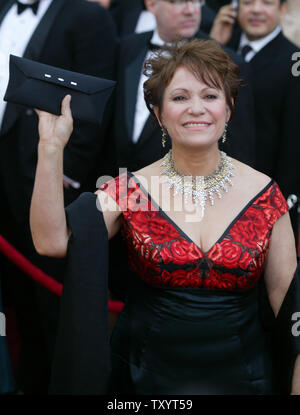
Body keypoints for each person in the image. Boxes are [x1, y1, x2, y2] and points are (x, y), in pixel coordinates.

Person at [30, 39, 300, 394]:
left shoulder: (265, 194)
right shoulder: (129, 190)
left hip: (245, 379)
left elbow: (290, 309)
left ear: (229, 107)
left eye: (210, 95)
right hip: (145, 380)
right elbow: (51, 241)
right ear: (158, 113)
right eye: (179, 97)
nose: (196, 109)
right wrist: (50, 149)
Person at [0, 0, 117, 393]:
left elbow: (96, 97)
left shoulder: (87, 15)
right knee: (16, 302)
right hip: (2, 174)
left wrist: (66, 173)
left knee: (52, 302)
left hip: (45, 178)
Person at [111, 0, 255, 175]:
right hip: (119, 185)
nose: (190, 10)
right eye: (178, 2)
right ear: (151, 4)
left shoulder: (229, 61)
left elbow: (240, 146)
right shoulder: (125, 48)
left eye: (195, 1)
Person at [210, 0, 300, 239]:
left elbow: (294, 144)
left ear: (282, 10)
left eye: (267, 3)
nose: (257, 10)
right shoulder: (221, 44)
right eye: (248, 2)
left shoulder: (294, 61)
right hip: (210, 186)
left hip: (263, 197)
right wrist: (215, 44)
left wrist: (281, 206)